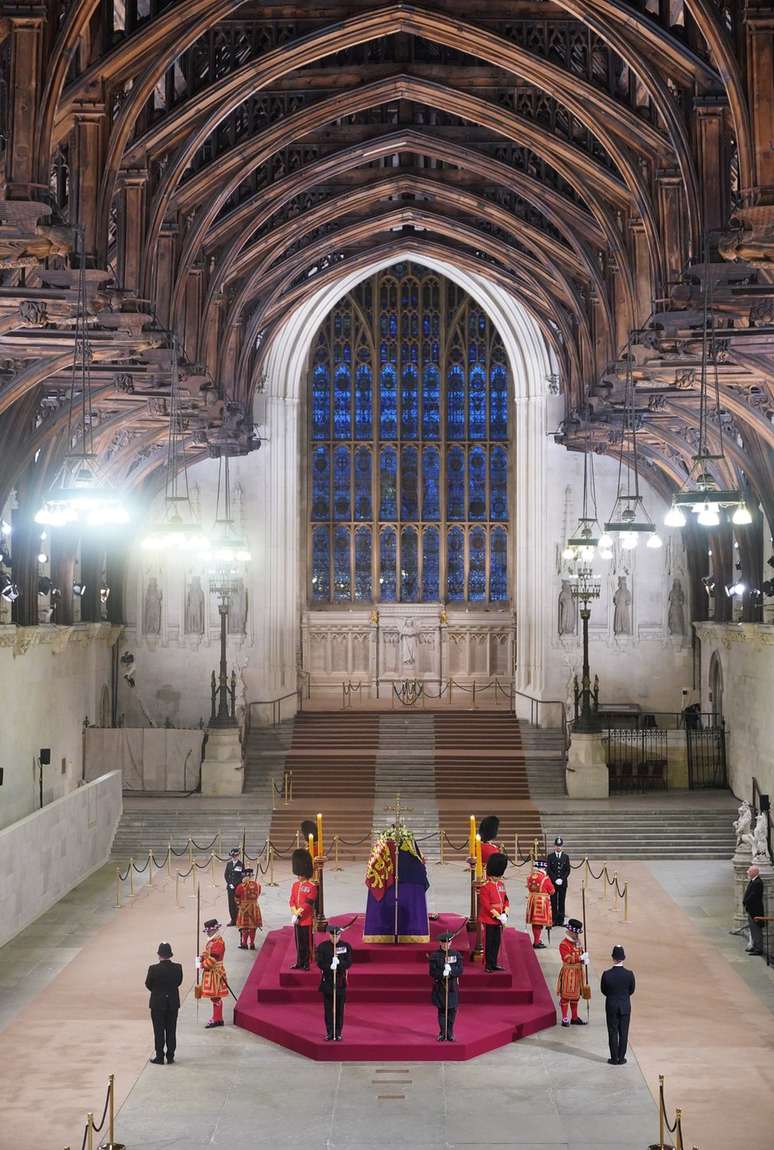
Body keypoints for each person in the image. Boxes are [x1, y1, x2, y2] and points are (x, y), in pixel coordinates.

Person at [145, 942, 183, 1064]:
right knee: (171, 1030)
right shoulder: (178, 967)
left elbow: (148, 984)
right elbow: (178, 982)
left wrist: (158, 992)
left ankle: (160, 1056)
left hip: (157, 1003)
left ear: (159, 954)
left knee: (159, 1031)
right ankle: (170, 1056)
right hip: (172, 1003)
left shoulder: (153, 969)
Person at [315, 924, 353, 1041]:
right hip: (328, 982)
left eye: (337, 936)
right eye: (333, 936)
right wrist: (330, 966)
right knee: (328, 1010)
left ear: (340, 935)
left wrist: (339, 963)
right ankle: (330, 1032)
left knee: (339, 1009)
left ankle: (338, 1032)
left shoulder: (346, 946)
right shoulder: (322, 947)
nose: (335, 938)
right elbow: (319, 963)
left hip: (340, 982)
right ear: (329, 935)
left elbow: (349, 962)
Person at [600, 944, 635, 1064]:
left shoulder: (606, 974)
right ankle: (621, 1057)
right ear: (623, 958)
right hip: (625, 1006)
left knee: (612, 1032)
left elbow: (604, 990)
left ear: (613, 958)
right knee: (624, 1032)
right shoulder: (629, 974)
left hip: (611, 1006)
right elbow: (631, 990)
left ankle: (614, 1058)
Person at [428, 931, 463, 1041]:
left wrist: (451, 971)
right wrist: (443, 973)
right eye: (443, 943)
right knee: (442, 1011)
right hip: (440, 987)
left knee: (452, 1011)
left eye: (447, 943)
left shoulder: (456, 955)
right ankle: (443, 1033)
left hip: (452, 987)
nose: (445, 945)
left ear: (451, 943)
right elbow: (432, 972)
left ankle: (450, 1033)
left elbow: (460, 969)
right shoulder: (434, 956)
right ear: (440, 943)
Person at [478, 852, 509, 972]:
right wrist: (498, 916)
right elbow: (486, 905)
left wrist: (505, 914)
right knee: (489, 943)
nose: (498, 878)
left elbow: (506, 900)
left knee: (497, 942)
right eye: (497, 875)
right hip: (489, 919)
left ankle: (494, 962)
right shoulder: (485, 886)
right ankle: (488, 964)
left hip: (500, 918)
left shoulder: (501, 884)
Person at [557, 918, 588, 1026]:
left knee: (575, 996)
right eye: (576, 933)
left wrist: (584, 959)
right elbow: (568, 959)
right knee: (565, 996)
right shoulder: (564, 944)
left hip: (578, 972)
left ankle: (574, 1017)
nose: (577, 935)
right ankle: (565, 1018)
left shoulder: (577, 942)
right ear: (571, 931)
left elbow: (580, 953)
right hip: (568, 973)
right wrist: (580, 958)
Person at [290, 848, 317, 970]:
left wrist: (298, 914)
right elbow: (292, 900)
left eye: (300, 873)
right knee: (298, 943)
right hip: (297, 919)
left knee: (306, 943)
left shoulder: (312, 887)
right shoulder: (295, 885)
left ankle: (306, 963)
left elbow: (308, 904)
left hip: (306, 920)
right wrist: (294, 913)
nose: (298, 876)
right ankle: (299, 961)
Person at [198, 919, 228, 1029]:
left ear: (215, 929)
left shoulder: (218, 943)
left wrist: (202, 965)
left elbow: (213, 959)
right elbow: (207, 953)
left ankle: (217, 1019)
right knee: (215, 997)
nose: (208, 933)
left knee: (216, 996)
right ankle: (217, 1018)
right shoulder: (213, 941)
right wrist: (201, 958)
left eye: (209, 931)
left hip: (216, 972)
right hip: (212, 972)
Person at [525, 858, 554, 949]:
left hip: (532, 900)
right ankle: (536, 942)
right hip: (541, 902)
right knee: (539, 923)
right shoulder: (545, 878)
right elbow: (552, 891)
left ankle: (536, 940)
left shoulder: (530, 877)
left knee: (535, 922)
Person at [235, 865, 262, 950]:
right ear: (252, 876)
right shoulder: (258, 885)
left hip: (244, 908)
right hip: (254, 907)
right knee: (253, 927)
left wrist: (239, 905)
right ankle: (252, 943)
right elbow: (258, 894)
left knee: (244, 927)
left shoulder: (240, 886)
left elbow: (236, 897)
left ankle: (244, 943)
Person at [547, 837, 571, 926]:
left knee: (561, 901)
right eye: (557, 845)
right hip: (553, 883)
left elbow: (568, 870)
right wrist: (555, 879)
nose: (558, 847)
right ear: (554, 846)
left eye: (560, 846)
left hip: (563, 883)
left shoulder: (566, 857)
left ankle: (560, 920)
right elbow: (548, 870)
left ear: (562, 846)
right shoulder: (550, 857)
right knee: (553, 901)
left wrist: (562, 879)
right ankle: (554, 919)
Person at [743, 865, 765, 956]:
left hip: (755, 911)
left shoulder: (758, 882)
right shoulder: (753, 881)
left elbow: (753, 896)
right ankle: (754, 946)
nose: (748, 873)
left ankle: (758, 949)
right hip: (751, 910)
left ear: (754, 872)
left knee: (756, 930)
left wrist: (746, 901)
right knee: (753, 929)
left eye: (749, 871)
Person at [224, 848, 245, 927]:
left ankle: (238, 919)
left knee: (237, 904)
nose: (234, 857)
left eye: (235, 856)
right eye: (233, 856)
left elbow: (242, 876)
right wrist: (229, 883)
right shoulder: (229, 864)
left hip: (237, 887)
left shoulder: (241, 864)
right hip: (230, 887)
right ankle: (233, 920)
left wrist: (235, 884)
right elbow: (226, 875)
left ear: (238, 855)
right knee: (231, 904)